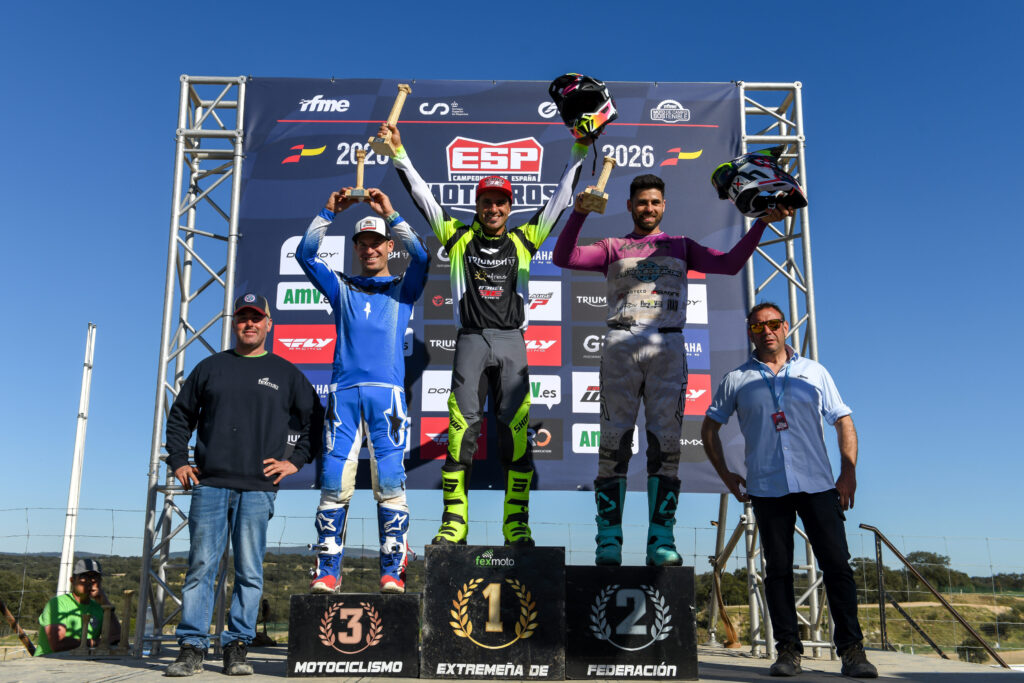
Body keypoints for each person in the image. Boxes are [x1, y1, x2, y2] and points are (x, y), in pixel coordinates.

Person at [553, 173, 792, 567]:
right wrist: (578, 214)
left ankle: (661, 540)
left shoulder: (681, 245)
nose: (648, 208)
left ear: (664, 206)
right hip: (621, 345)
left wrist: (761, 224)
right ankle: (608, 541)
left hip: (668, 346)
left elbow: (730, 264)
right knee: (613, 445)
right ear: (629, 206)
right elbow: (564, 258)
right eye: (641, 202)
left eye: (655, 202)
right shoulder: (612, 247)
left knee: (666, 448)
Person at [385, 121, 590, 546]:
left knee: (516, 431)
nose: (493, 208)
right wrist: (399, 153)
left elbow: (560, 198)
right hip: (471, 340)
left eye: (500, 202)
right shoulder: (457, 236)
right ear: (477, 205)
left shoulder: (526, 238)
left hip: (513, 341)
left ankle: (516, 525)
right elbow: (422, 196)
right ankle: (454, 523)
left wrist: (578, 150)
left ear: (510, 207)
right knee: (461, 429)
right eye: (486, 202)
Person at [701, 302, 877, 678]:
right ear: (750, 332)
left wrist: (848, 472)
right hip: (767, 488)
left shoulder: (814, 371)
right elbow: (709, 428)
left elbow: (843, 419)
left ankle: (852, 651)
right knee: (778, 571)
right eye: (757, 326)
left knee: (838, 567)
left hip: (818, 485)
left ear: (785, 328)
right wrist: (726, 475)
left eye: (773, 324)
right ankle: (788, 651)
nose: (766, 331)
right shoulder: (736, 379)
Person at [164, 293, 320, 677]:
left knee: (249, 571)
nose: (249, 324)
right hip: (211, 484)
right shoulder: (210, 368)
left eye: (256, 318)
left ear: (269, 324)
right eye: (242, 318)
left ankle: (237, 647)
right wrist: (179, 460)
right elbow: (180, 416)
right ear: (234, 324)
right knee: (201, 567)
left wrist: (296, 460)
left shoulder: (286, 373)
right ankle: (192, 647)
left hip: (259, 488)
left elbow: (316, 421)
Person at [298, 187, 428, 594]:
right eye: (363, 243)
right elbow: (305, 255)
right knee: (334, 482)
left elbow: (423, 256)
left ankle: (393, 570)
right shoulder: (341, 287)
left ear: (389, 246)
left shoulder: (402, 288)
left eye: (377, 243)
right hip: (345, 396)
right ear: (355, 248)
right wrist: (328, 211)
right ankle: (327, 571)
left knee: (390, 481)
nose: (370, 250)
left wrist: (390, 213)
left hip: (387, 397)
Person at [35, 558, 121, 655]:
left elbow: (116, 639)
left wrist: (106, 604)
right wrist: (96, 642)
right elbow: (58, 644)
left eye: (95, 577)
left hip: (82, 660)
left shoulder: (99, 608)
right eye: (84, 577)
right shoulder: (58, 604)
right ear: (72, 580)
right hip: (49, 660)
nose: (91, 581)